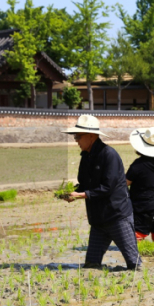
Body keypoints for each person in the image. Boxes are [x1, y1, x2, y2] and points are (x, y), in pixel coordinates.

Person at [62, 115, 141, 270]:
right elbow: (85, 184)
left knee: (135, 264)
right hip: (98, 219)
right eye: (75, 136)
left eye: (78, 136)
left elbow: (107, 187)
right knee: (91, 265)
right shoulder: (85, 156)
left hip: (117, 216)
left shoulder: (109, 155)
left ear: (91, 136)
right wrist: (73, 192)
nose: (76, 140)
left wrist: (82, 195)